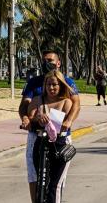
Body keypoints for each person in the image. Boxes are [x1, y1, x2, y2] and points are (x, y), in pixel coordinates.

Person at [18, 51, 80, 202]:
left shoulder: (67, 82)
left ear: (58, 63)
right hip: (37, 136)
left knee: (56, 182)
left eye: (51, 60)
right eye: (44, 60)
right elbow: (25, 107)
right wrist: (26, 118)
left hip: (60, 138)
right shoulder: (34, 83)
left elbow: (76, 105)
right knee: (34, 175)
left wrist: (68, 121)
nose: (47, 63)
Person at [28, 71, 74, 203]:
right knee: (41, 183)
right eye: (48, 84)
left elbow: (61, 125)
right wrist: (36, 118)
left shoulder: (66, 102)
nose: (51, 88)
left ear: (60, 85)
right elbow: (29, 117)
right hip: (41, 144)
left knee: (55, 184)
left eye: (55, 84)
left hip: (59, 144)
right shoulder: (38, 100)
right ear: (44, 85)